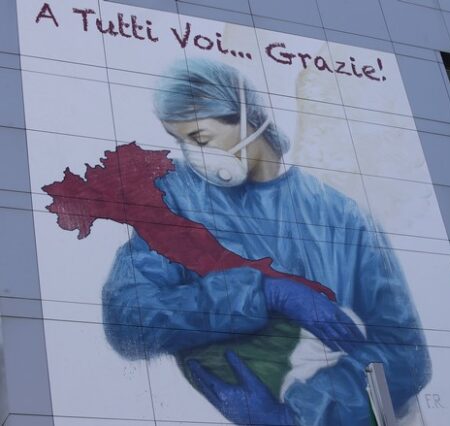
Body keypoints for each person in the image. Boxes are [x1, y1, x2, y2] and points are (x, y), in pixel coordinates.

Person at [102, 58, 430, 425]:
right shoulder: (178, 198)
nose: (194, 157)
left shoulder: (342, 217)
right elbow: (128, 320)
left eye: (200, 139)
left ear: (248, 116)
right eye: (180, 141)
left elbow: (406, 355)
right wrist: (261, 293)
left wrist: (298, 417)